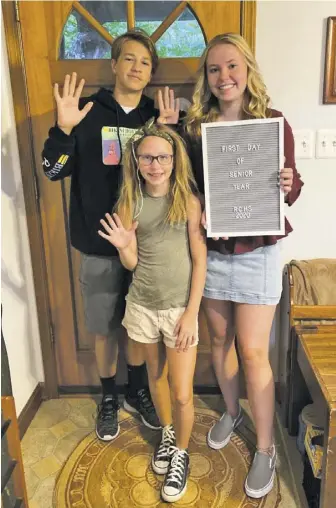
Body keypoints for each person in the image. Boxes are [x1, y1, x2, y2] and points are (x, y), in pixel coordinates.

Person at [41, 29, 180, 442]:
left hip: (148, 246)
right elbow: (52, 171)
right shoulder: (86, 112)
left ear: (150, 72)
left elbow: (179, 174)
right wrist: (64, 131)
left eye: (145, 63)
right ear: (115, 64)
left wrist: (173, 133)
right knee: (104, 327)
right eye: (130, 59)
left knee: (139, 328)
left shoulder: (156, 116)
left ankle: (138, 390)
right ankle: (108, 396)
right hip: (100, 245)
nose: (137, 68)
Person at [182, 33, 304, 499]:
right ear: (206, 79)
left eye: (231, 66)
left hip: (257, 253)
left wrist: (289, 182)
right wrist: (201, 208)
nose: (224, 77)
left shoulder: (273, 123)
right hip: (212, 253)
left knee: (254, 352)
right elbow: (189, 188)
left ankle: (267, 449)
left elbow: (288, 190)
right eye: (214, 70)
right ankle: (233, 412)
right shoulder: (198, 128)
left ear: (247, 69)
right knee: (219, 340)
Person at [98, 120, 207, 503]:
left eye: (162, 157)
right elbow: (130, 264)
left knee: (181, 392)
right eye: (147, 158)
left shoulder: (189, 202)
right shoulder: (131, 202)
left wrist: (192, 312)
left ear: (175, 159)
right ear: (137, 162)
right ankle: (166, 434)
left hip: (179, 310)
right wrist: (124, 245)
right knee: (155, 379)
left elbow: (199, 259)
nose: (155, 165)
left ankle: (181, 452)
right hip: (142, 307)